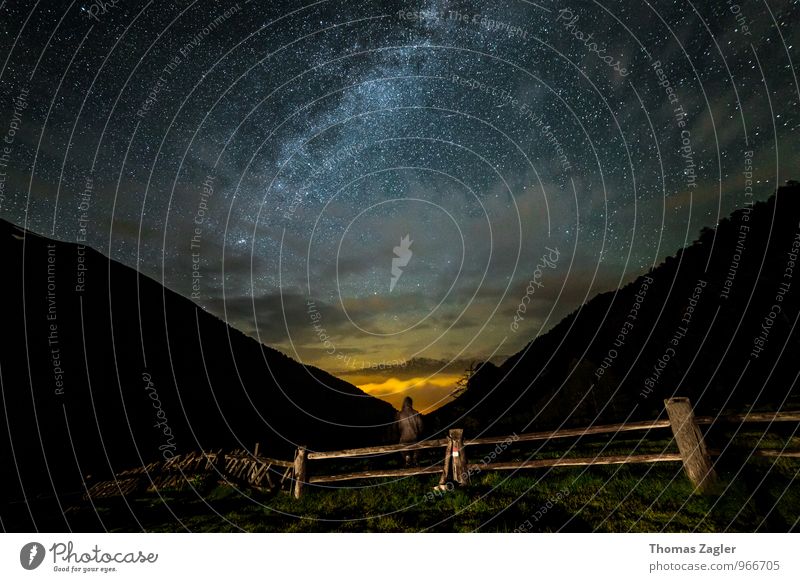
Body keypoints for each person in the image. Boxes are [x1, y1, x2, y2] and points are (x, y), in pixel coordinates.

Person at [395, 396, 423, 466]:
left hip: (404, 437)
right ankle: (415, 458)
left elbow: (395, 427)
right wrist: (419, 433)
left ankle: (407, 457)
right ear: (411, 403)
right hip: (414, 437)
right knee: (417, 447)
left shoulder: (399, 414)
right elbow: (420, 425)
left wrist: (399, 435)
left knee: (402, 447)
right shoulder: (415, 413)